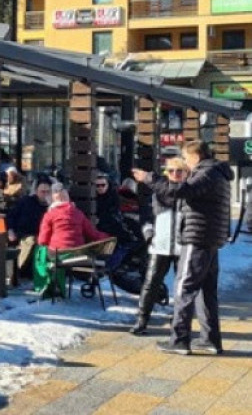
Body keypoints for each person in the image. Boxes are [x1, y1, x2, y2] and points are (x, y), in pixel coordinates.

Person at [134, 140, 233, 356]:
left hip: (197, 238)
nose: (186, 164)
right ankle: (210, 340)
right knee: (206, 291)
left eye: (186, 159)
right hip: (208, 239)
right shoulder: (217, 173)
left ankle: (179, 340)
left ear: (195, 155)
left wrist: (149, 178)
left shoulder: (206, 173)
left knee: (184, 288)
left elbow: (182, 191)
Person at [130, 157, 188, 335]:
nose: (175, 174)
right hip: (160, 244)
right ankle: (141, 320)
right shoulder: (157, 192)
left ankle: (178, 321)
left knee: (183, 286)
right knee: (150, 283)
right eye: (171, 171)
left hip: (183, 245)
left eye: (179, 171)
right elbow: (147, 216)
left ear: (186, 173)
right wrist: (149, 236)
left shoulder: (190, 192)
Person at [37, 184, 109, 250]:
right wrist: (107, 237)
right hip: (77, 252)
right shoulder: (78, 213)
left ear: (53, 200)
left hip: (57, 253)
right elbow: (92, 234)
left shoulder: (49, 215)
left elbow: (42, 240)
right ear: (68, 198)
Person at [6, 176, 52, 280]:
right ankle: (18, 270)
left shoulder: (53, 207)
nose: (44, 195)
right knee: (30, 241)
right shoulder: (26, 202)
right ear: (36, 191)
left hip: (45, 237)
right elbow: (11, 216)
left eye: (47, 192)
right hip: (24, 235)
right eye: (42, 192)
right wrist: (10, 230)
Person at [94, 173, 131, 245]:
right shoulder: (93, 198)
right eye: (97, 186)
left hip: (111, 226)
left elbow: (114, 212)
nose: (100, 187)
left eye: (103, 185)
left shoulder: (113, 196)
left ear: (108, 185)